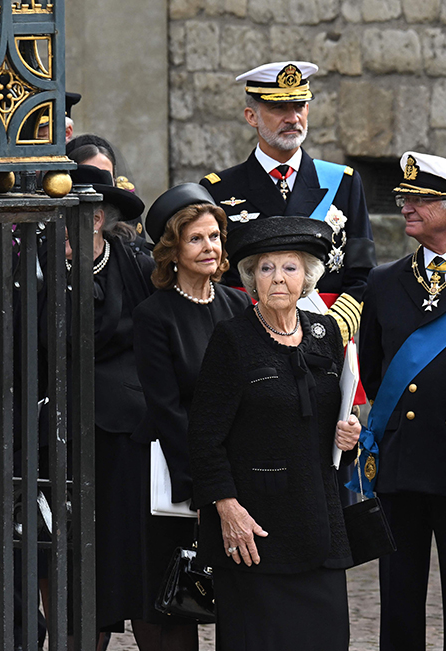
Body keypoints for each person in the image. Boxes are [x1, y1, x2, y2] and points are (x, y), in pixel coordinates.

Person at [188, 216, 362, 650]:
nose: (278, 278)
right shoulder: (233, 338)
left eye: (290, 267)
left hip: (319, 524)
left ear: (307, 277)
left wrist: (349, 437)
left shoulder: (323, 334)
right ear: (251, 278)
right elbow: (204, 437)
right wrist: (227, 510)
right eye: (266, 268)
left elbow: (335, 418)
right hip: (256, 532)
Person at [358, 151, 446, 651]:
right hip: (403, 464)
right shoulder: (384, 281)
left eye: (420, 199)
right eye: (403, 198)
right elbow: (373, 368)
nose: (406, 207)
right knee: (399, 596)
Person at [131, 184, 250, 650]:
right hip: (178, 481)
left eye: (215, 236)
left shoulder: (239, 306)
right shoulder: (153, 315)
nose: (210, 247)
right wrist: (204, 488)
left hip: (238, 473)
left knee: (240, 597)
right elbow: (167, 411)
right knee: (180, 599)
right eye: (196, 238)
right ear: (172, 249)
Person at [199, 60, 375, 318]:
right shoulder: (220, 189)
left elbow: (362, 271)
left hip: (325, 326)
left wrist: (337, 325)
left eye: (300, 106)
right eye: (278, 107)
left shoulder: (343, 182)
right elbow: (212, 276)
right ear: (251, 117)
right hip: (247, 328)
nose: (292, 118)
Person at [60, 165, 156, 641]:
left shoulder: (138, 265)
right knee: (74, 565)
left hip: (128, 435)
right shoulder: (36, 265)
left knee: (131, 562)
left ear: (96, 218)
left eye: (69, 216)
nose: (57, 227)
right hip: (59, 433)